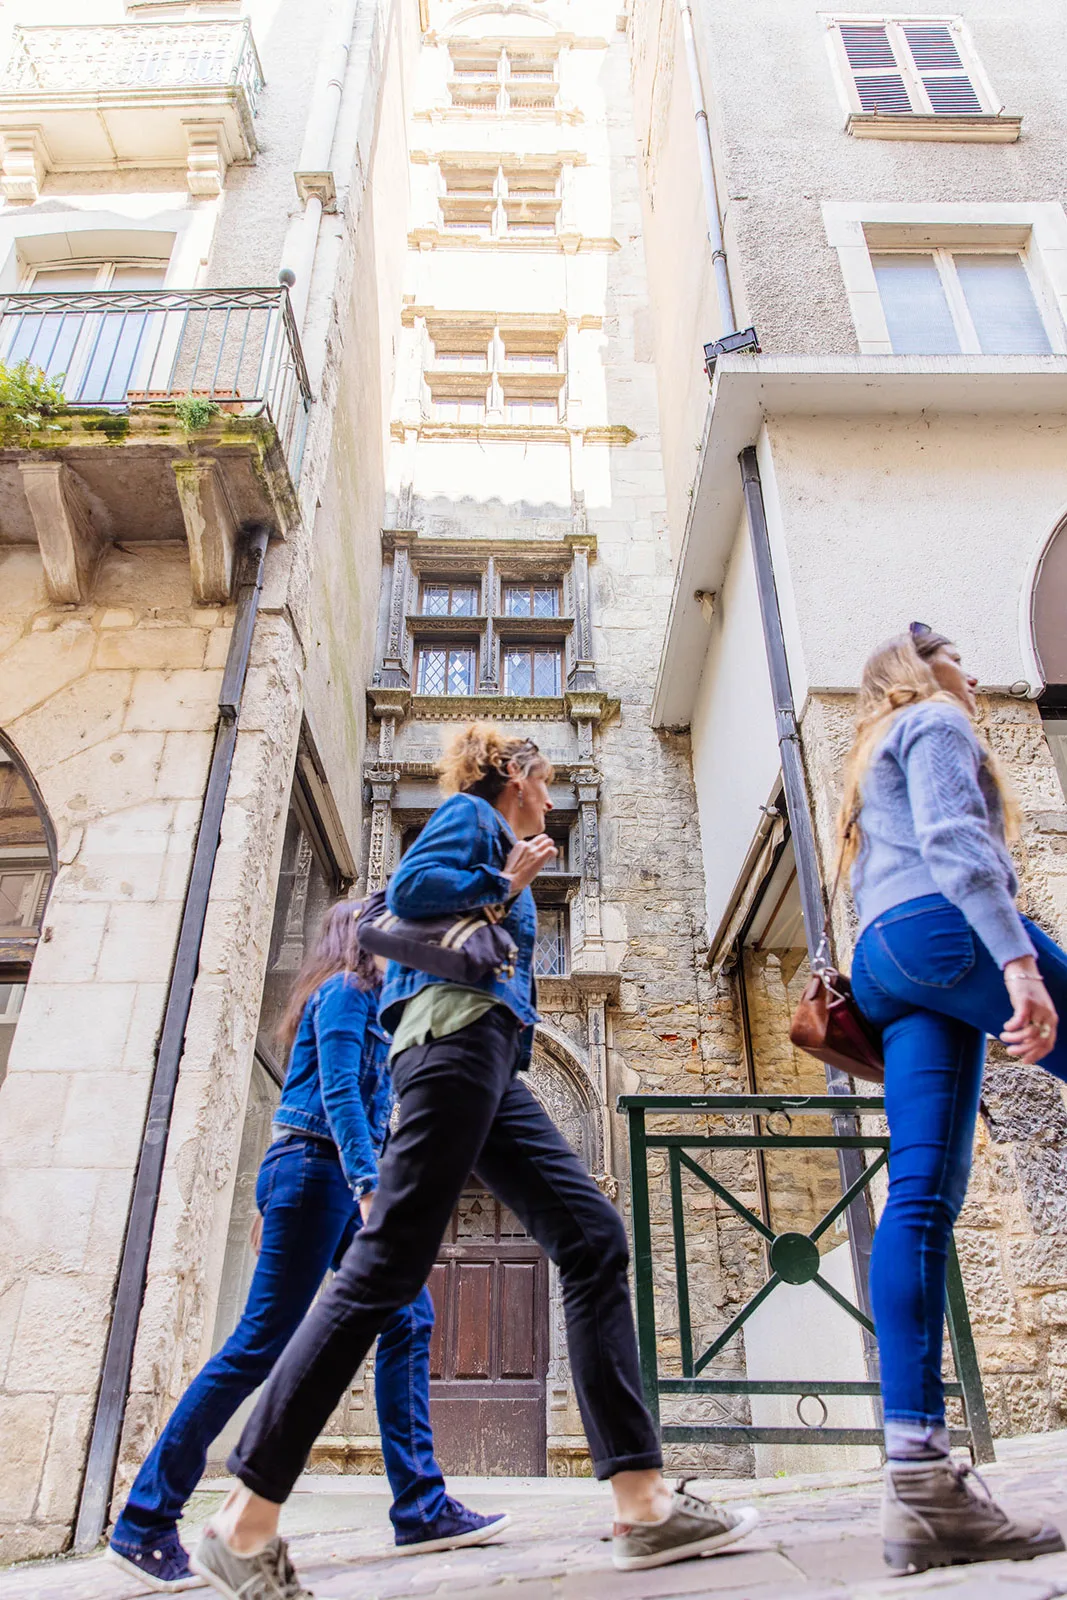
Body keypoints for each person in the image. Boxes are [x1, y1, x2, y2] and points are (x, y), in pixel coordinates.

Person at [190, 723, 759, 1600]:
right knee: (383, 1268)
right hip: (452, 1046)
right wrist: (504, 881)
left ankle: (642, 1504)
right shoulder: (471, 818)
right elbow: (414, 887)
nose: (552, 797)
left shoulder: (500, 834)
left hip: (491, 1057)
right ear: (515, 774)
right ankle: (244, 1520)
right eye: (545, 781)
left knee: (591, 1235)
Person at [109, 901, 504, 1592]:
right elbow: (340, 1094)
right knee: (259, 1344)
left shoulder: (372, 1000)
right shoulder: (345, 992)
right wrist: (367, 1185)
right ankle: (143, 1522)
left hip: (317, 1176)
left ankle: (420, 1506)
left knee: (408, 1317)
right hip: (321, 1171)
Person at [842, 624, 1067, 1574]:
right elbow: (953, 836)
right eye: (954, 656)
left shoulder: (861, 764)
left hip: (883, 960)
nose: (971, 674)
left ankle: (922, 1488)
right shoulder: (932, 719)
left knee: (921, 1199)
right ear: (917, 667)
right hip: (946, 926)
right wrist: (1017, 962)